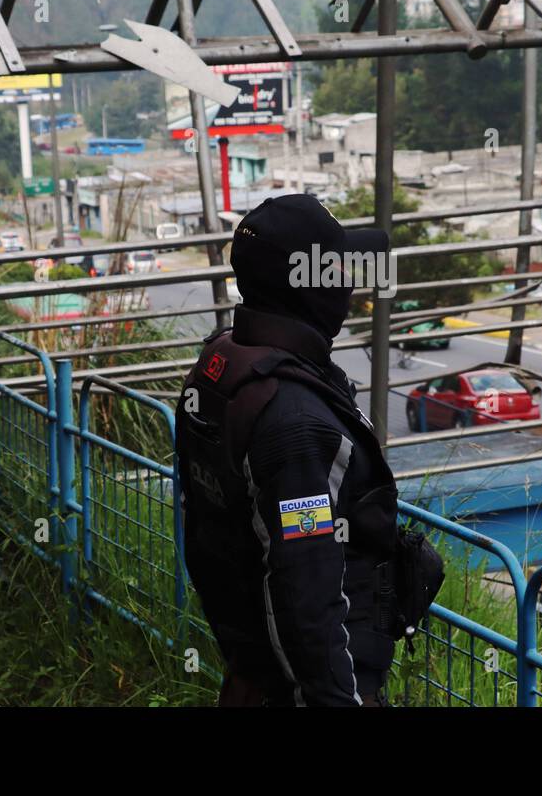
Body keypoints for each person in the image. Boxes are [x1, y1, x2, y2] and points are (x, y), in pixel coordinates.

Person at [175, 193, 408, 706]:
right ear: (311, 289)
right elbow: (308, 605)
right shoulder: (296, 424)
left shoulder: (225, 364)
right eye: (338, 272)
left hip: (252, 673)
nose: (349, 286)